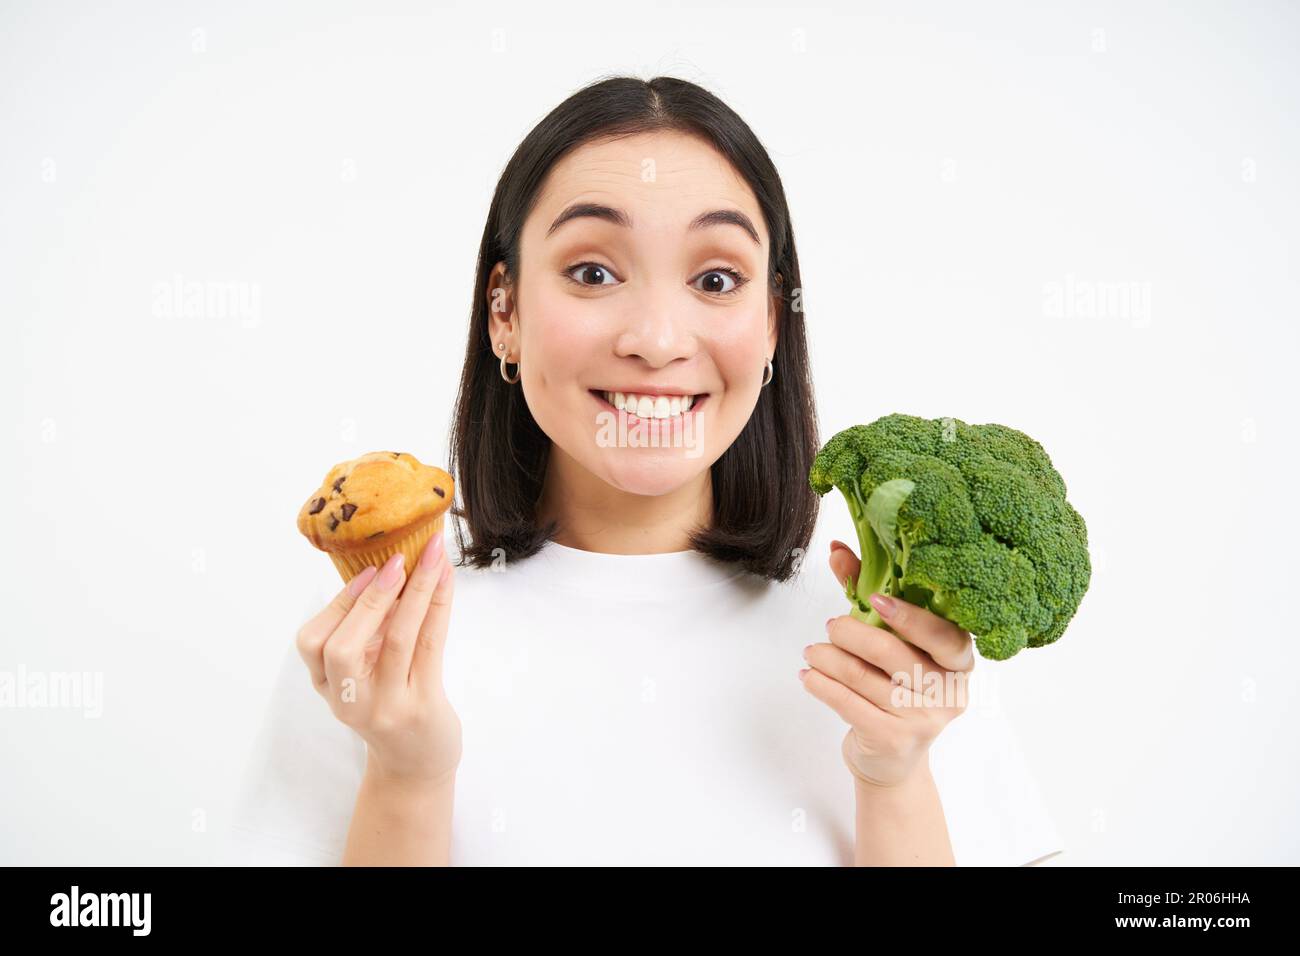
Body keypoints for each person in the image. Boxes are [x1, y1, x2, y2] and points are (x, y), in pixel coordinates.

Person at [224, 75, 1065, 866]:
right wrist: (408, 774)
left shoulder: (898, 648)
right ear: (504, 312)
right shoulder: (373, 646)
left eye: (715, 278)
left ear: (772, 324)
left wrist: (895, 778)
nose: (657, 339)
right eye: (593, 272)